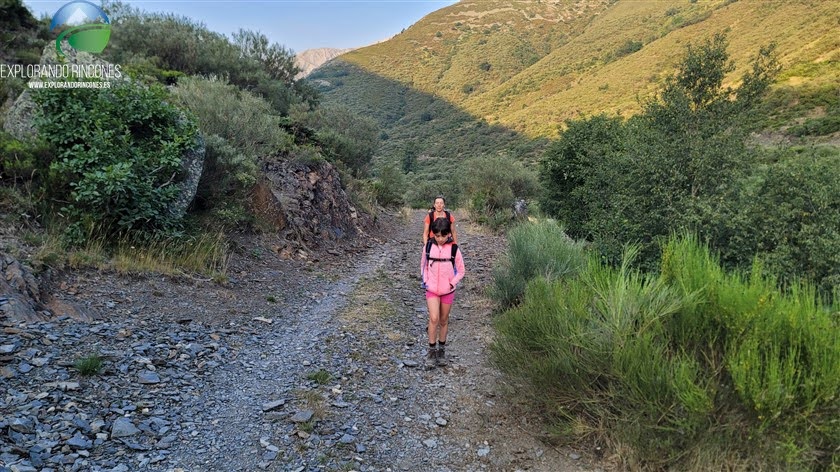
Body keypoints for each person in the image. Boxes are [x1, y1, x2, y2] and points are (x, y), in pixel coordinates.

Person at [420, 217, 466, 368]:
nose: (440, 239)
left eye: (443, 236)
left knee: (444, 320)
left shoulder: (454, 249)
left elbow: (461, 271)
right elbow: (424, 266)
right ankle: (431, 352)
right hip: (432, 289)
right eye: (437, 235)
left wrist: (451, 283)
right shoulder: (428, 247)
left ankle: (442, 351)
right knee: (434, 318)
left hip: (447, 290)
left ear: (448, 234)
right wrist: (426, 281)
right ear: (433, 234)